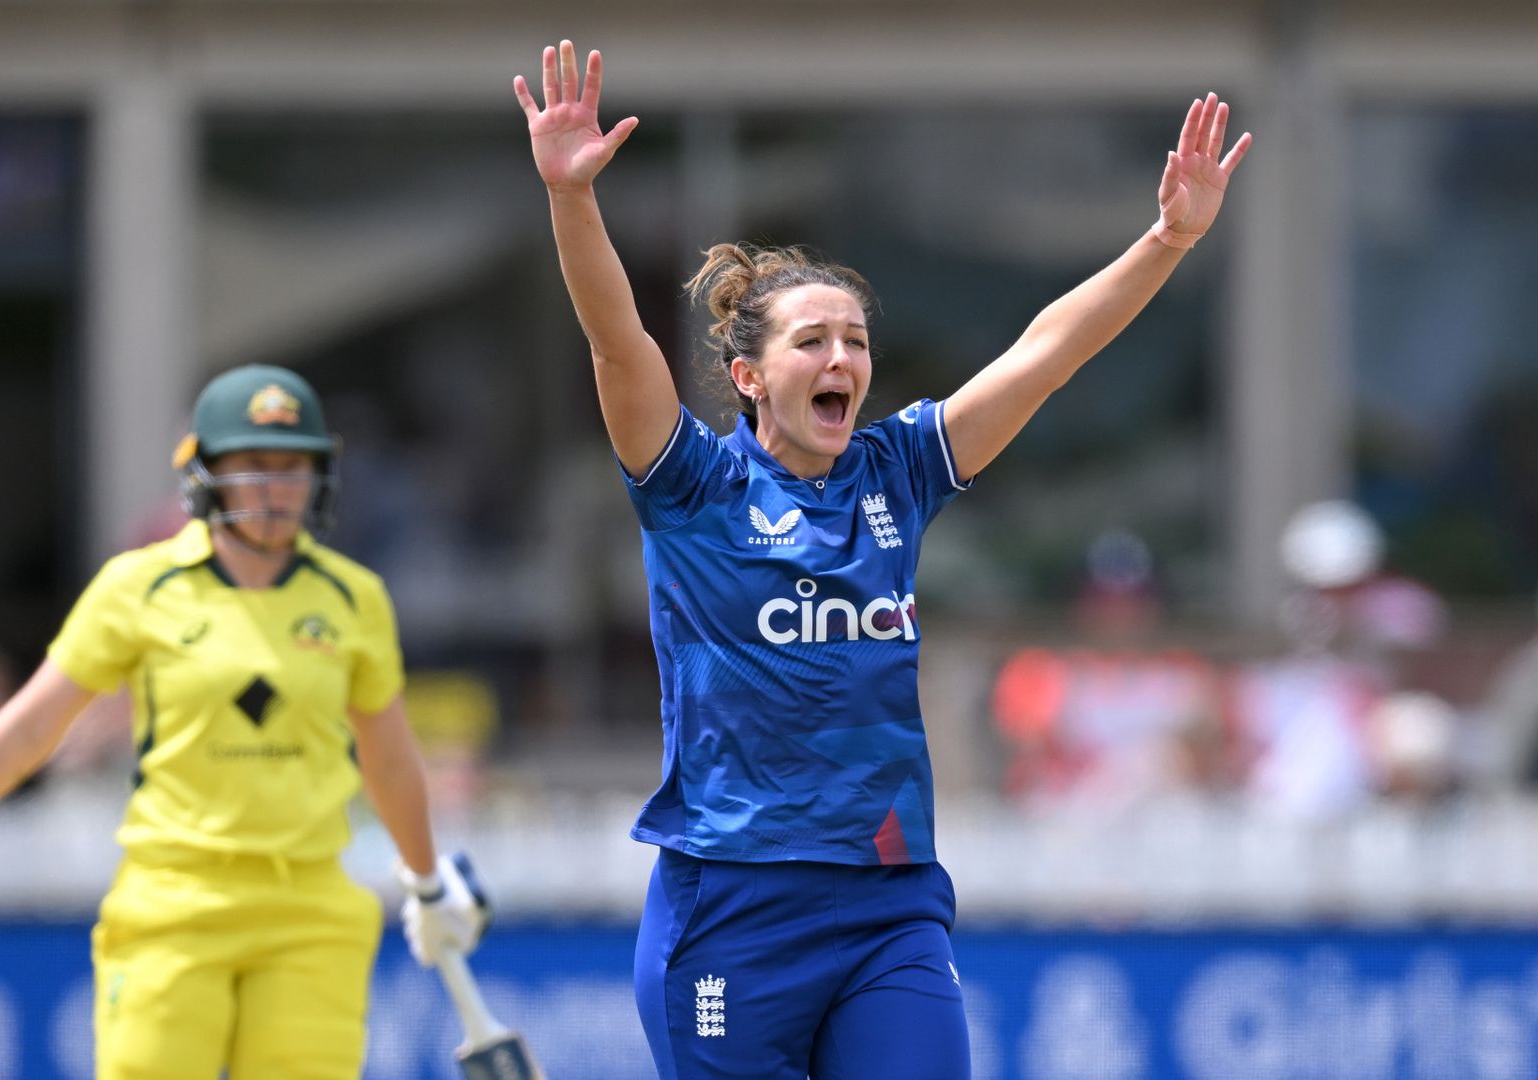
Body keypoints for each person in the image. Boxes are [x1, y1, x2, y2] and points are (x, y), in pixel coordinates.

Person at [513, 40, 1250, 1079]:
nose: (842, 360)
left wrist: (1169, 239)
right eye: (812, 341)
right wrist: (571, 197)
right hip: (731, 903)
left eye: (855, 341)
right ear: (749, 377)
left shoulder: (896, 471)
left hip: (887, 903)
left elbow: (1045, 355)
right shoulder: (695, 487)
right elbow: (616, 342)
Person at [0, 364, 485, 1080]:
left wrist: (426, 880)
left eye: (294, 466)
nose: (277, 488)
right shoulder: (139, 587)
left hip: (308, 908)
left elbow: (388, 758)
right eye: (254, 465)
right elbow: (32, 726)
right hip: (174, 901)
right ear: (205, 473)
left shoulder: (354, 599)